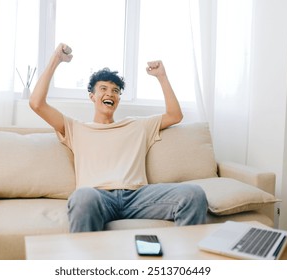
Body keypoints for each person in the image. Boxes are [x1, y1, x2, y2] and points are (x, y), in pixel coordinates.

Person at [30, 43, 208, 232]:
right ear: (92, 96)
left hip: (137, 196)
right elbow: (36, 104)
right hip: (97, 197)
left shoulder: (138, 125)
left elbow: (175, 115)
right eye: (104, 89)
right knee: (82, 197)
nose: (110, 93)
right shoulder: (75, 128)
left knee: (193, 194)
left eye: (115, 91)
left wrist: (162, 77)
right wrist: (56, 60)